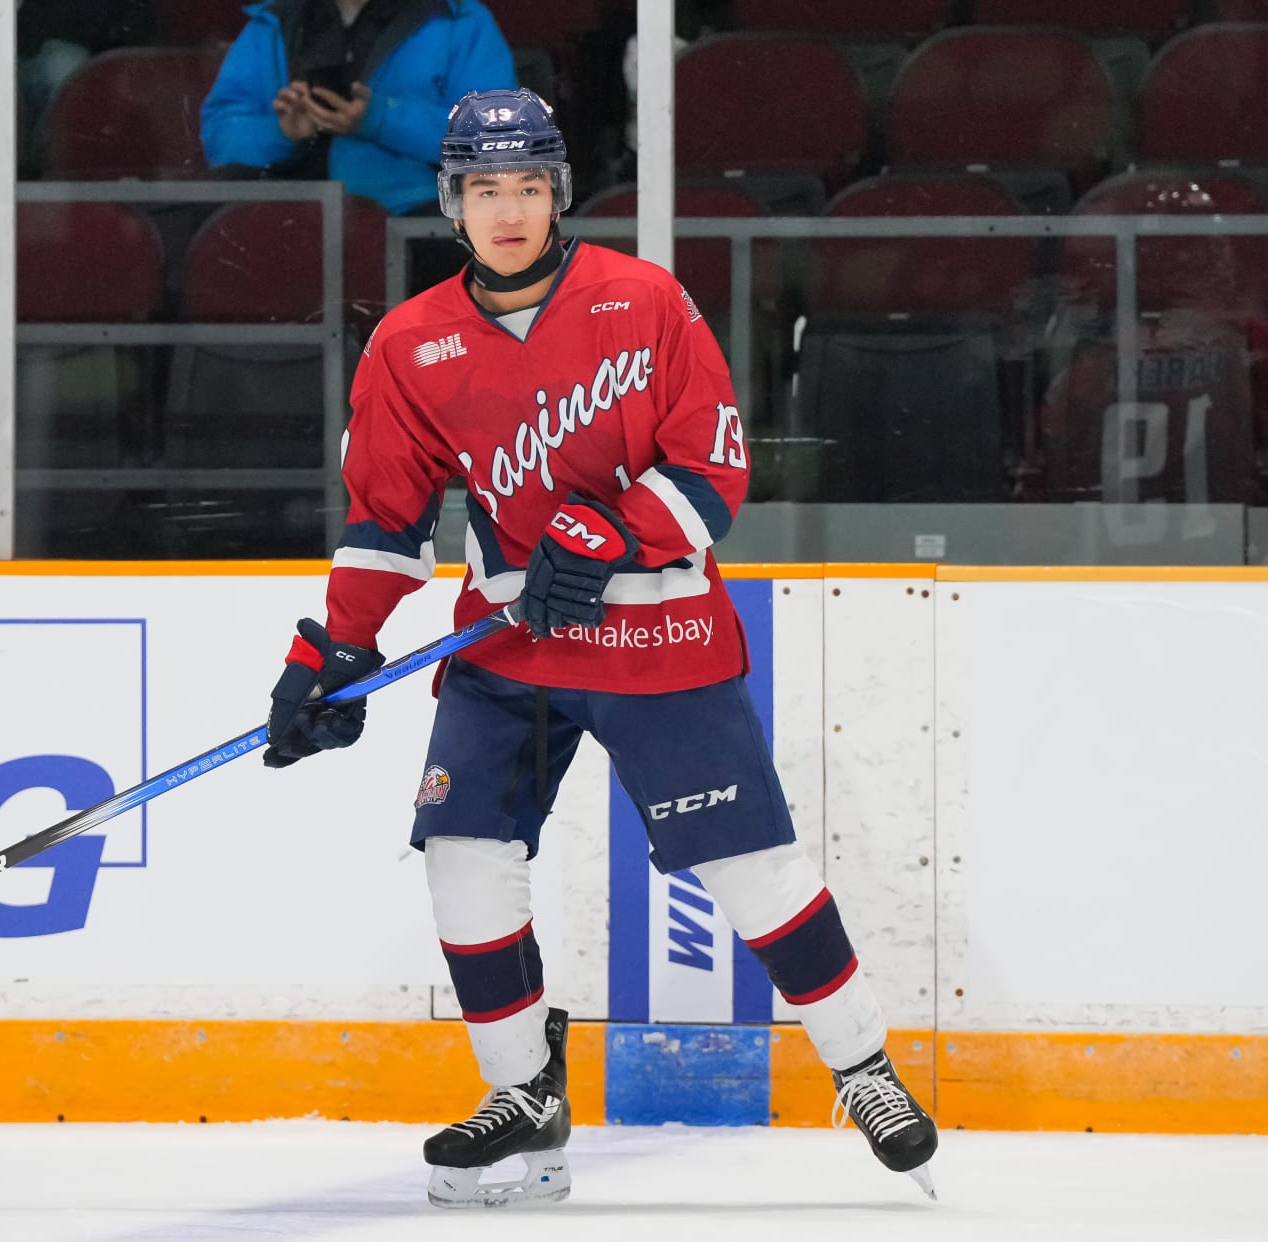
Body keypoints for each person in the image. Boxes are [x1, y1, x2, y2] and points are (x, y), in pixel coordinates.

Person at [261, 87, 940, 1208]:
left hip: (655, 634)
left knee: (750, 870)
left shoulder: (647, 303)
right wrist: (329, 652)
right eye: (487, 189)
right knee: (463, 856)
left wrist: (616, 533)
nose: (510, 210)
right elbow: (386, 522)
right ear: (453, 203)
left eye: (529, 186)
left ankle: (862, 1066)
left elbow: (714, 474)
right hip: (509, 646)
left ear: (558, 193)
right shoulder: (411, 343)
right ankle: (523, 1093)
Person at [200, 0, 515, 217]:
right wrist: (281, 132)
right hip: (282, 218)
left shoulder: (460, 20)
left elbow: (496, 141)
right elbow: (220, 134)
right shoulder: (274, 21)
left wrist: (377, 119)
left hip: (414, 221)